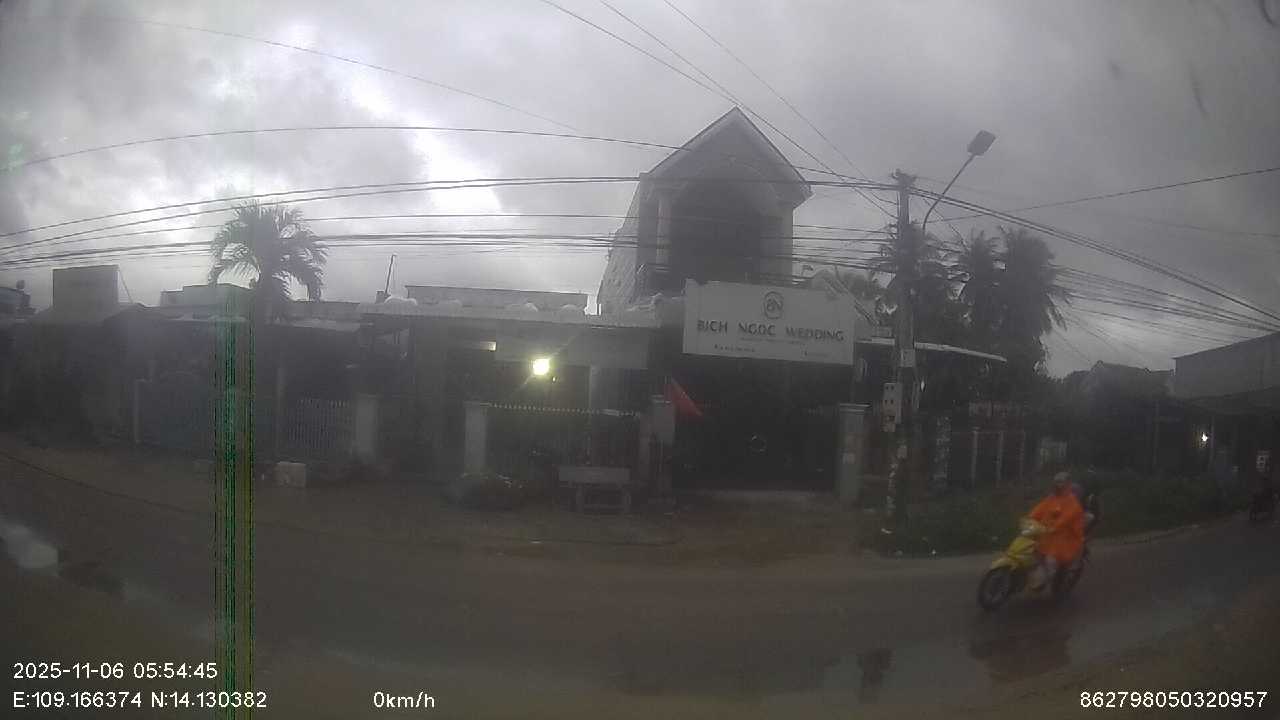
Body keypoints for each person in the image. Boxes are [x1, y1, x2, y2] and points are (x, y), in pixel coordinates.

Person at [1027, 471, 1086, 590]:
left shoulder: (1072, 502)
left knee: (1050, 561)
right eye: (1056, 481)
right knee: (1031, 551)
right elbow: (1040, 508)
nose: (1057, 484)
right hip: (1048, 534)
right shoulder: (1052, 498)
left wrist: (1055, 526)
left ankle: (1049, 581)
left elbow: (1067, 518)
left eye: (1060, 482)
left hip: (1066, 538)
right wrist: (1029, 518)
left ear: (1067, 484)